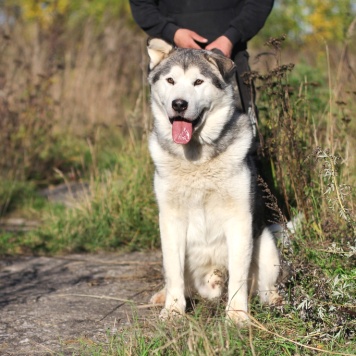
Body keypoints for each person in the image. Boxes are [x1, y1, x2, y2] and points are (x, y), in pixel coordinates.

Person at [129, 0, 274, 116]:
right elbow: (141, 3)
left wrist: (231, 37)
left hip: (229, 59)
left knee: (247, 143)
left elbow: (259, 3)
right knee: (171, 145)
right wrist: (171, 32)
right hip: (171, 59)